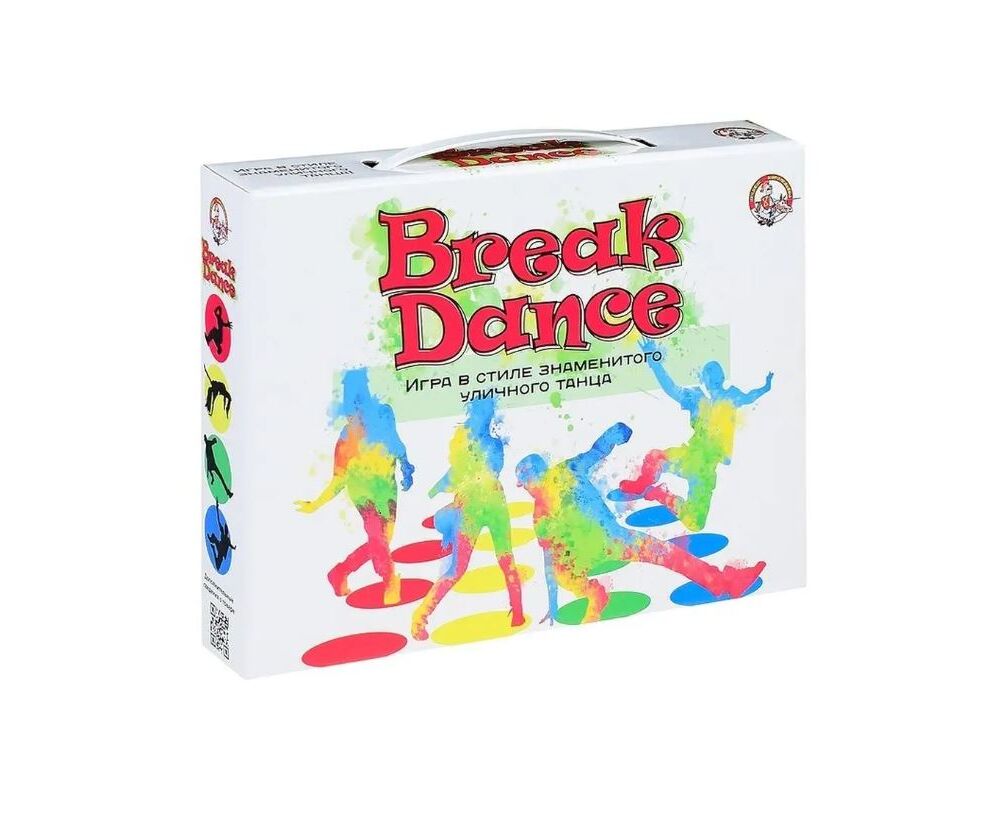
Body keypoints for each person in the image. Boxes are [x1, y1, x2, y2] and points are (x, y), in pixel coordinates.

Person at [517, 422, 764, 624]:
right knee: (667, 554)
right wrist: (613, 435)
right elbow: (596, 452)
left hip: (605, 544)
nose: (527, 488)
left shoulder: (551, 494)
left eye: (525, 483)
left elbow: (549, 560)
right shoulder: (561, 479)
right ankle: (721, 583)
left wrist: (612, 436)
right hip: (610, 541)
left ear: (529, 480)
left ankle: (594, 593)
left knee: (665, 554)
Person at [620, 339, 772, 531]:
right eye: (709, 372)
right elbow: (671, 388)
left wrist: (765, 388)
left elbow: (749, 397)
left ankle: (660, 494)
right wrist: (654, 361)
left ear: (722, 376)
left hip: (705, 469)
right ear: (704, 380)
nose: (713, 376)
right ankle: (642, 484)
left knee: (696, 523)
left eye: (715, 371)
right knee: (654, 457)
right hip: (690, 456)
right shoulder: (696, 398)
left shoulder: (731, 396)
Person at [295, 368, 414, 605]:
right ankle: (390, 580)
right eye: (350, 404)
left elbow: (396, 443)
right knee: (378, 539)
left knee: (381, 541)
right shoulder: (346, 438)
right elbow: (339, 479)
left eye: (359, 399)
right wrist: (315, 504)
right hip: (362, 494)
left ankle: (340, 571)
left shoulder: (384, 414)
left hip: (387, 489)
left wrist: (406, 465)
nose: (354, 409)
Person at [411, 399, 524, 640]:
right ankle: (420, 616)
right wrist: (434, 491)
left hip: (486, 505)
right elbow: (460, 474)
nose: (486, 417)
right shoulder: (478, 444)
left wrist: (437, 490)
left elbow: (460, 475)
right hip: (481, 505)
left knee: (501, 561)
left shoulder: (480, 444)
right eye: (483, 412)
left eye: (488, 413)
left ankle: (518, 614)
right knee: (466, 567)